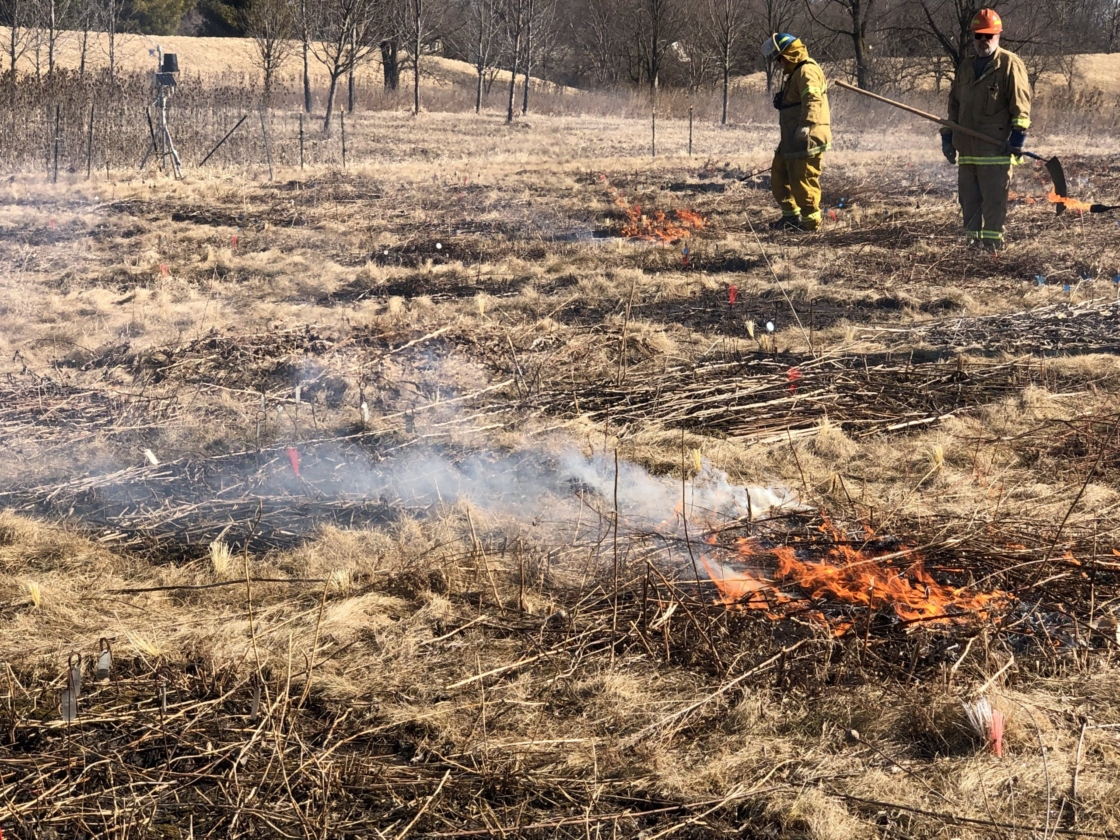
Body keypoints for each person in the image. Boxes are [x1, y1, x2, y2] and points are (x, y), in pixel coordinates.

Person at [940, 9, 1032, 250]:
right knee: (969, 204)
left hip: (994, 153)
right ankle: (972, 248)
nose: (983, 41)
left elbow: (1021, 107)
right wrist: (947, 137)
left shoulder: (1009, 65)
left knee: (993, 204)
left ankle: (992, 249)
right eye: (978, 35)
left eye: (988, 36)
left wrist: (1017, 139)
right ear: (973, 36)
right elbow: (954, 105)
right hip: (967, 153)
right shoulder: (965, 67)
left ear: (998, 36)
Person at [762, 33, 832, 231]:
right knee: (779, 175)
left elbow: (812, 99)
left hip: (807, 136)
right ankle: (790, 218)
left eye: (781, 59)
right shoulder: (796, 73)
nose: (780, 64)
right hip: (792, 137)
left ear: (789, 54)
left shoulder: (807, 71)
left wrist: (806, 124)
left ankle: (811, 224)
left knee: (803, 180)